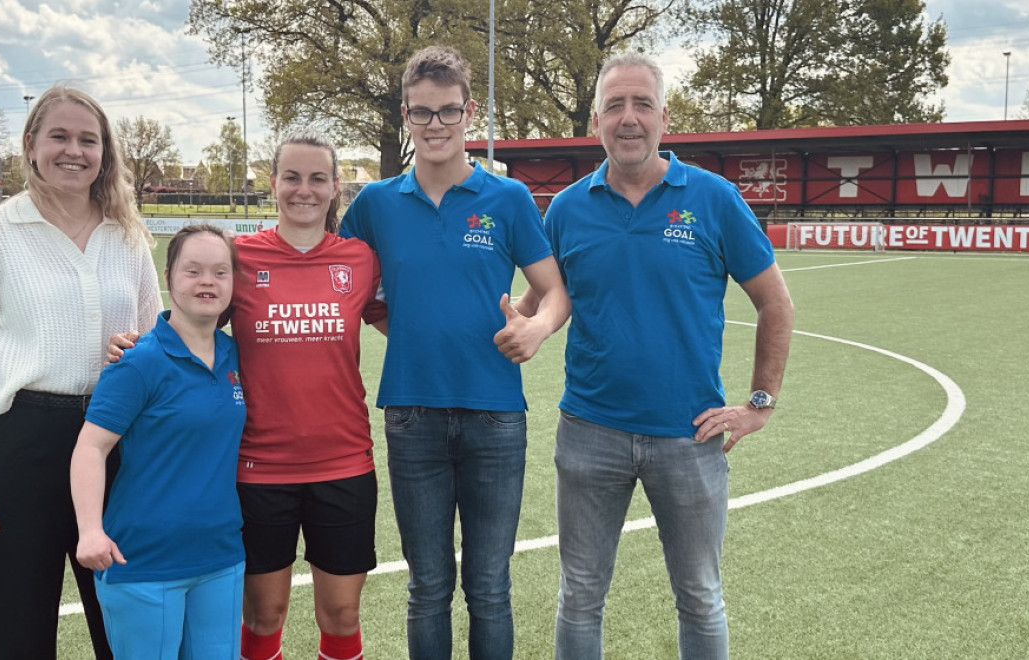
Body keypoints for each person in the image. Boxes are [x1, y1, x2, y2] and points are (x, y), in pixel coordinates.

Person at [537, 53, 795, 659]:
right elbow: (544, 301)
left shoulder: (713, 198)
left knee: (700, 595)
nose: (629, 119)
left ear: (664, 118)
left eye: (642, 104)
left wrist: (759, 405)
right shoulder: (568, 208)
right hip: (588, 433)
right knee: (579, 595)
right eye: (615, 106)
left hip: (689, 438)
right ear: (596, 119)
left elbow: (776, 306)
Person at [339, 45, 570, 660]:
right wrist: (406, 326)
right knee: (428, 586)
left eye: (447, 112)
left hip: (496, 416)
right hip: (411, 415)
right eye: (422, 113)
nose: (435, 125)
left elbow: (554, 293)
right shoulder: (374, 204)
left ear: (470, 113)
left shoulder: (508, 198)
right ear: (406, 119)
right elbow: (334, 281)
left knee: (490, 587)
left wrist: (536, 329)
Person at [0, 86, 161, 659]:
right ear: (31, 145)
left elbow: (156, 345)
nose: (74, 151)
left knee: (128, 626)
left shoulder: (128, 236)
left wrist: (132, 349)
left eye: (89, 140)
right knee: (15, 632)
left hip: (114, 442)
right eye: (59, 136)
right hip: (19, 447)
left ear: (105, 152)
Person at [230, 132, 388, 660]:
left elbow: (409, 322)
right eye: (292, 177)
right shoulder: (238, 258)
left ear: (335, 187)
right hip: (257, 467)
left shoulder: (360, 259)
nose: (304, 190)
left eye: (317, 178)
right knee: (262, 615)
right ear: (272, 184)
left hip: (342, 463)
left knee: (341, 617)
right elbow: (187, 325)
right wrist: (134, 343)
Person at [71, 225, 246, 659]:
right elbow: (91, 448)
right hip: (144, 561)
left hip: (220, 557)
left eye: (220, 272)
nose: (207, 281)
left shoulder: (237, 355)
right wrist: (90, 531)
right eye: (194, 271)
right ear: (168, 277)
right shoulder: (138, 362)